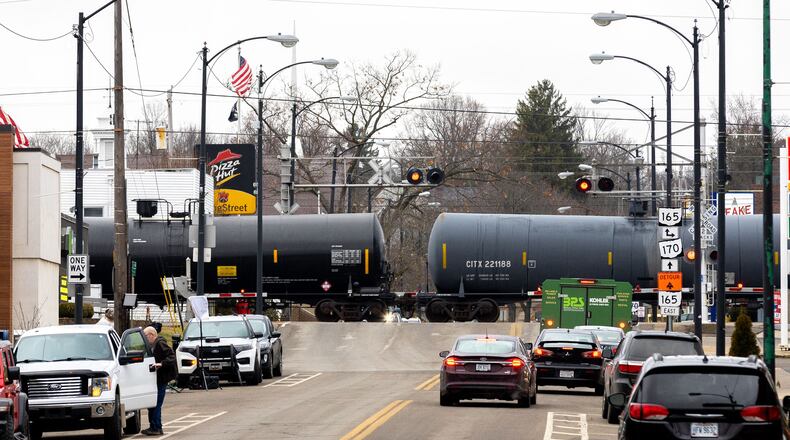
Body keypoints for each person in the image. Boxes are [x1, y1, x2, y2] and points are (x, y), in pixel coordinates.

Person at [141, 326, 176, 436]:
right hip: (154, 379)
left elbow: (172, 356)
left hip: (161, 379)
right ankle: (153, 426)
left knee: (156, 404)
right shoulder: (151, 346)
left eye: (145, 336)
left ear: (151, 335)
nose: (145, 339)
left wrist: (161, 364)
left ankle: (157, 427)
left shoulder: (160, 343)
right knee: (152, 404)